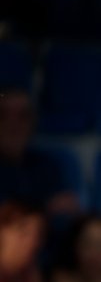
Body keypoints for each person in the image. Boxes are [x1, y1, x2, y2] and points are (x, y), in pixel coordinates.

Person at [0, 89, 80, 217]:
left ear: (33, 122)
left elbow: (65, 206)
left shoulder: (46, 166)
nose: (13, 124)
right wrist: (45, 207)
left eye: (22, 116)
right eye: (3, 115)